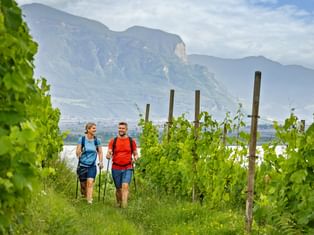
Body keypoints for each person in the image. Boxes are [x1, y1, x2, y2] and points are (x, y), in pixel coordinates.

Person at [106, 122, 138, 208]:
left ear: (126, 130)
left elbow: (135, 153)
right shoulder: (113, 141)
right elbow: (108, 153)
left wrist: (136, 157)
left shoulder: (131, 141)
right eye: (120, 128)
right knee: (118, 188)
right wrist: (108, 155)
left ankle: (124, 206)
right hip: (116, 167)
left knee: (125, 186)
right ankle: (119, 204)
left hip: (128, 167)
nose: (121, 130)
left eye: (123, 128)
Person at [76, 122, 103, 204]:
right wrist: (78, 152)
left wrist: (101, 162)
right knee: (83, 186)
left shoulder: (97, 140)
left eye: (95, 128)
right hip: (82, 165)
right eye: (93, 128)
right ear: (88, 129)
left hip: (92, 166)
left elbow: (100, 152)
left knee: (90, 182)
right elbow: (78, 151)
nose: (95, 130)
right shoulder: (82, 139)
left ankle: (89, 201)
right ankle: (84, 197)